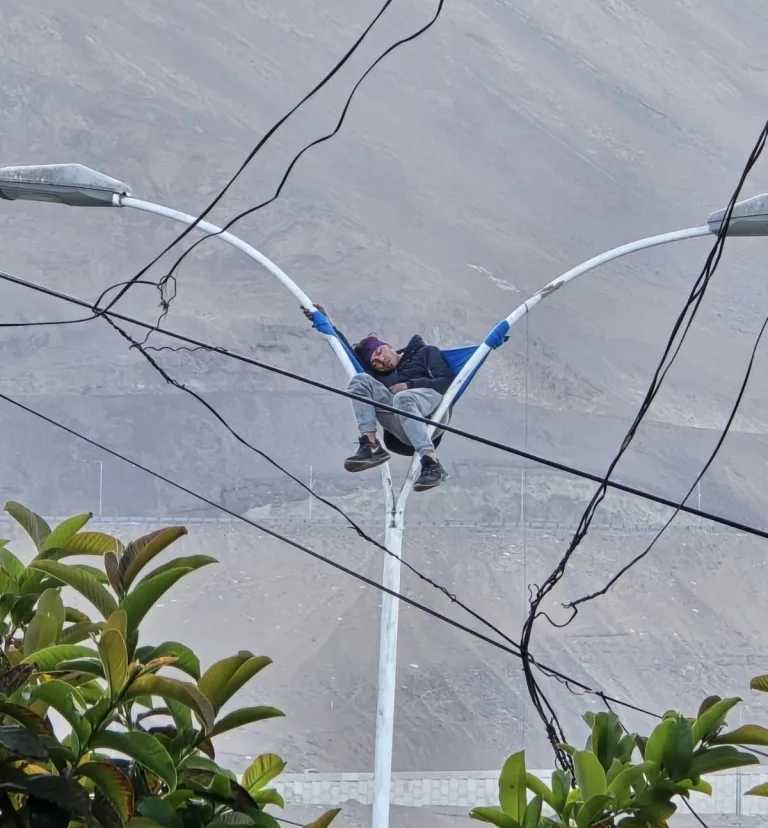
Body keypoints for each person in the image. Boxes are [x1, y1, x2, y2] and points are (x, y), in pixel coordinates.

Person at [302, 304, 453, 491]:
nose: (381, 361)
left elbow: (446, 381)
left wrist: (408, 386)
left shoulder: (425, 352)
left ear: (388, 345)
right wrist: (326, 324)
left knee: (402, 398)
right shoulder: (381, 379)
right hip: (402, 426)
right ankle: (371, 446)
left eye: (380, 352)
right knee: (360, 380)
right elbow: (348, 356)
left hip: (433, 414)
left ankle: (432, 462)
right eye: (376, 362)